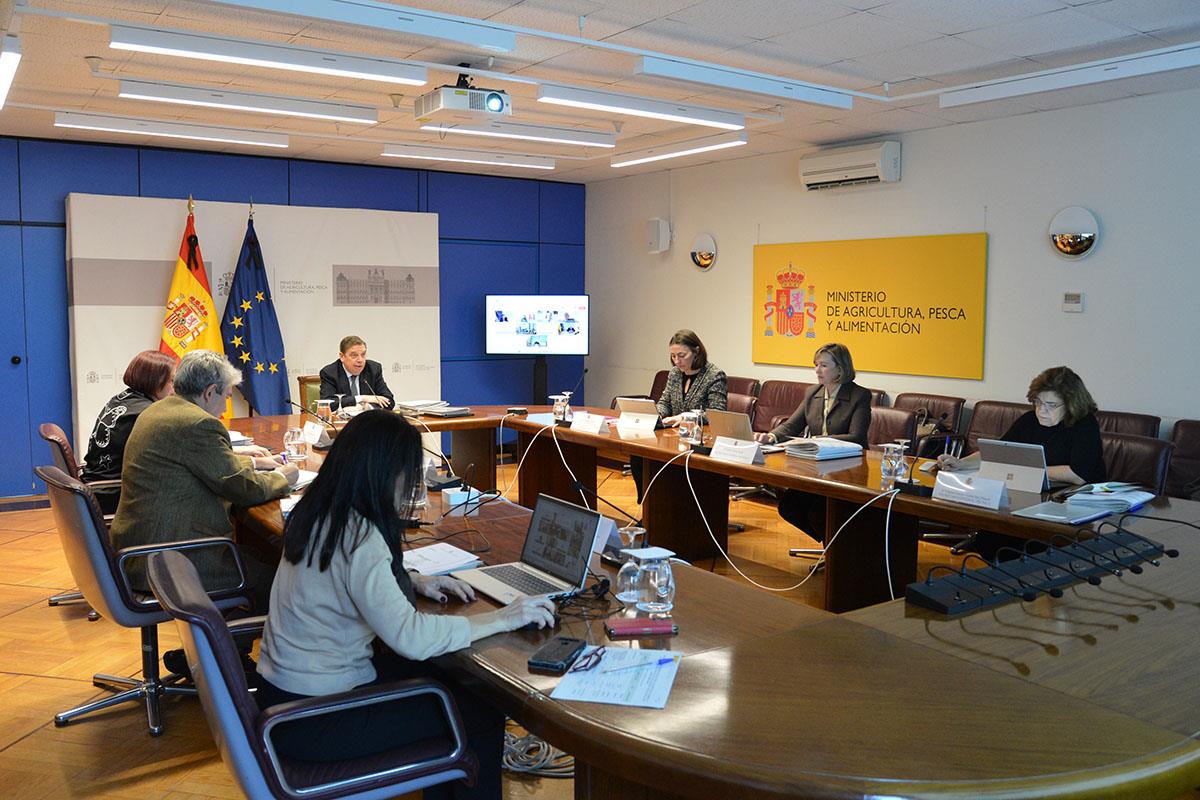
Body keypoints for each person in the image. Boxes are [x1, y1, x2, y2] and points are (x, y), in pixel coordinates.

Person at [257, 411, 554, 799]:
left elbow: (340, 580)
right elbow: (410, 639)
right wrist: (503, 617)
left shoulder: (319, 511)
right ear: (387, 473)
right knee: (480, 709)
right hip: (316, 718)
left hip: (285, 698)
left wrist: (412, 581)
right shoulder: (361, 536)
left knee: (449, 681)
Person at [110, 349, 298, 613]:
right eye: (227, 397)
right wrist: (283, 478)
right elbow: (244, 489)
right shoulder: (197, 424)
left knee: (259, 554)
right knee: (278, 580)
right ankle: (228, 649)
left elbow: (210, 466)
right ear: (210, 392)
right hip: (172, 557)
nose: (224, 408)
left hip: (142, 547)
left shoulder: (160, 410)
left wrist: (256, 462)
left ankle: (211, 645)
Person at [754, 343, 871, 544]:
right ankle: (834, 546)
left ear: (840, 368)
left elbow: (858, 437)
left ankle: (841, 551)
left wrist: (818, 441)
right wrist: (771, 437)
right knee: (789, 507)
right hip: (816, 465)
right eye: (816, 365)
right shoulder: (812, 393)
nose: (817, 370)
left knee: (819, 511)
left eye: (823, 365)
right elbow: (792, 425)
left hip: (848, 467)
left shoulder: (859, 395)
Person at [937, 366, 1106, 486]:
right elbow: (998, 454)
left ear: (1071, 404)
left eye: (1051, 405)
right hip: (1033, 492)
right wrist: (961, 464)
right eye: (1038, 402)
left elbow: (1078, 475)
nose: (1041, 410)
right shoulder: (1029, 420)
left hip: (1075, 500)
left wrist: (1024, 470)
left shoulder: (1084, 424)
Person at [631, 329, 727, 501]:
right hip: (672, 437)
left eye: (681, 355)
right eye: (673, 356)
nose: (677, 361)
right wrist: (657, 414)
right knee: (639, 454)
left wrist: (685, 417)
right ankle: (646, 504)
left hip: (698, 440)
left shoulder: (714, 375)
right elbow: (665, 402)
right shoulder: (675, 373)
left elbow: (717, 413)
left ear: (696, 351)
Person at [80, 350, 176, 515]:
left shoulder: (121, 399)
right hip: (113, 494)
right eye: (172, 381)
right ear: (155, 382)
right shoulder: (146, 412)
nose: (175, 388)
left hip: (97, 487)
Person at [319, 335, 394, 410]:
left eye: (363, 354)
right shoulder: (329, 373)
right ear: (342, 357)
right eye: (354, 355)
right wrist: (362, 398)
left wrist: (367, 407)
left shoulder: (373, 369)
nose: (360, 360)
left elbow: (389, 401)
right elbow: (328, 403)